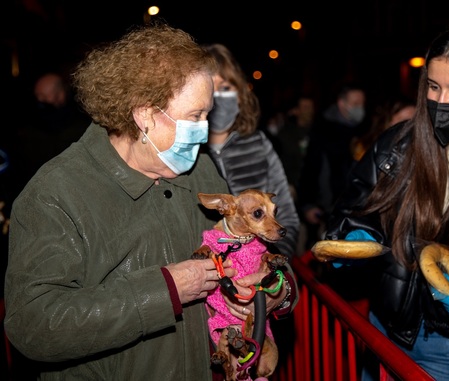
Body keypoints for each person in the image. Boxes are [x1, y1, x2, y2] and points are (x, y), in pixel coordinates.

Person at [3, 24, 295, 380]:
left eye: (207, 114)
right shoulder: (56, 193)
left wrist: (272, 289)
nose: (205, 129)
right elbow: (33, 324)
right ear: (144, 115)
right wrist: (164, 291)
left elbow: (255, 243)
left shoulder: (199, 171)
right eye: (195, 115)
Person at [323, 29, 449, 381]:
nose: (441, 100)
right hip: (384, 327)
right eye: (433, 87)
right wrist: (355, 235)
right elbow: (354, 209)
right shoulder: (398, 143)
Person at [201, 43, 300, 259]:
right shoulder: (185, 153)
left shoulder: (259, 144)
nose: (217, 97)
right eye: (210, 88)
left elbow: (289, 220)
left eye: (225, 88)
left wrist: (272, 269)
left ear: (239, 93)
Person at [297, 83, 368, 250]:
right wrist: (308, 203)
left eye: (362, 104)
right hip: (330, 208)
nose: (360, 108)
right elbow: (311, 169)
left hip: (361, 209)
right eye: (355, 104)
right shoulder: (323, 130)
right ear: (342, 103)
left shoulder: (367, 129)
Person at [350, 95, 416, 161]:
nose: (409, 126)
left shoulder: (417, 149)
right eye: (403, 121)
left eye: (413, 121)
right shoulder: (367, 149)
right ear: (388, 121)